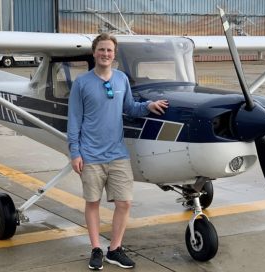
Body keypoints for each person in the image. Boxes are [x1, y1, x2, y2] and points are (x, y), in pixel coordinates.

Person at [67, 33, 168, 270]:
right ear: (94, 53)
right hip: (90, 154)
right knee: (92, 202)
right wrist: (75, 152)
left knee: (124, 203)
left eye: (109, 51)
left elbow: (130, 108)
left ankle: (114, 249)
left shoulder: (121, 79)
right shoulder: (82, 83)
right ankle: (95, 249)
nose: (105, 54)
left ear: (114, 54)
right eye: (101, 50)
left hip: (117, 154)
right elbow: (74, 120)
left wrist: (148, 106)